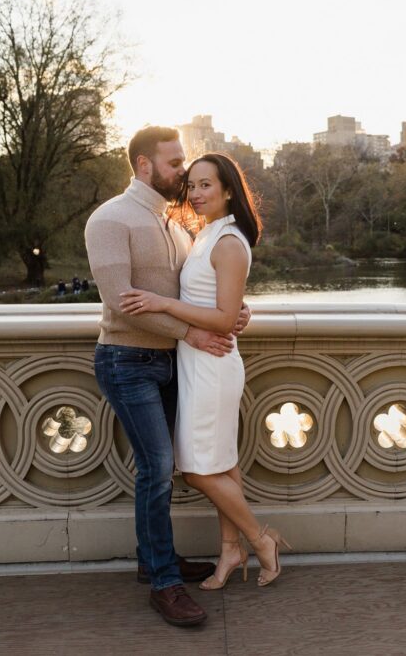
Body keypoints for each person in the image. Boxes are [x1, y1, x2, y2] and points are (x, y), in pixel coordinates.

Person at [85, 126, 249, 627]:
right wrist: (192, 334)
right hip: (126, 359)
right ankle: (164, 582)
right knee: (156, 468)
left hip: (173, 363)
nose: (183, 172)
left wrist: (236, 311)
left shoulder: (178, 225)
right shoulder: (109, 219)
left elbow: (204, 292)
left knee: (172, 467)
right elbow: (122, 302)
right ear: (143, 165)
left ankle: (154, 559)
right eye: (175, 163)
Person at [120, 152, 289, 594]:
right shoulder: (206, 234)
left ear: (229, 189)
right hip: (195, 364)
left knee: (196, 470)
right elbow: (225, 306)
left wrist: (161, 304)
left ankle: (261, 539)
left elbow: (222, 317)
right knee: (222, 463)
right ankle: (230, 550)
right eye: (191, 185)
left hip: (212, 365)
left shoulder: (229, 241)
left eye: (205, 185)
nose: (195, 194)